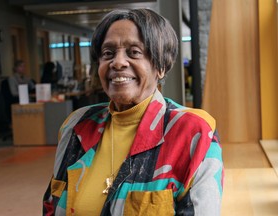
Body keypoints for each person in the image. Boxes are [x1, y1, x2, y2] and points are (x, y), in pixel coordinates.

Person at [43, 9, 223, 216]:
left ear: (161, 66)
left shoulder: (193, 133)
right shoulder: (76, 126)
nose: (117, 62)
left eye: (134, 52)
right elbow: (50, 205)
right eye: (108, 53)